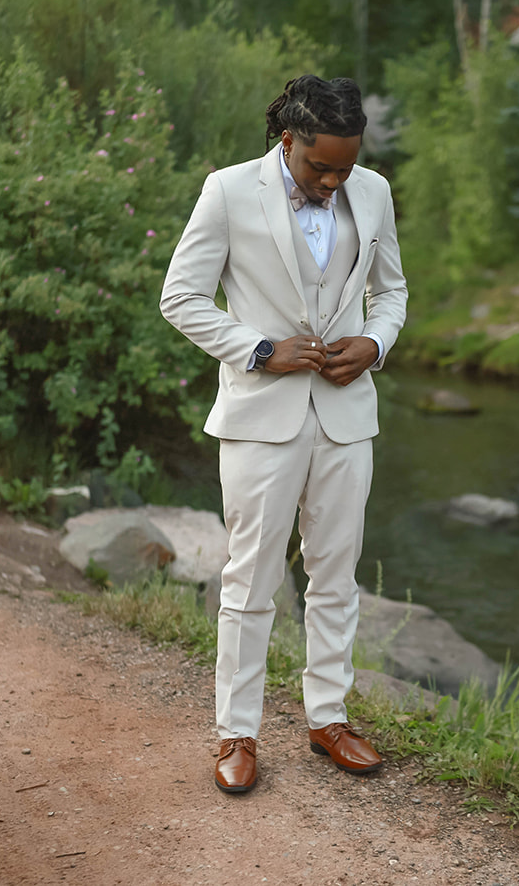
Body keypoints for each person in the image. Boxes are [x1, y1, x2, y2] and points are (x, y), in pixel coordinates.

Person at [159, 75, 408, 795]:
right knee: (252, 579)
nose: (333, 182)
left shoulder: (374, 192)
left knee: (335, 573)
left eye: (345, 168)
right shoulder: (229, 190)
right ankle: (236, 732)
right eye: (319, 167)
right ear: (288, 139)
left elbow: (391, 292)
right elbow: (181, 297)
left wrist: (375, 344)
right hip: (261, 417)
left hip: (346, 415)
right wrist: (261, 349)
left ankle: (328, 718)